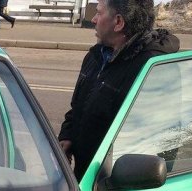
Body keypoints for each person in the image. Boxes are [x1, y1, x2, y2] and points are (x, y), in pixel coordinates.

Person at [58, 0, 179, 180]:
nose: (93, 19)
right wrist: (67, 135)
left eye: (99, 13)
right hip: (86, 178)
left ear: (119, 22)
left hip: (118, 185)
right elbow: (78, 107)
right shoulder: (96, 57)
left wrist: (117, 184)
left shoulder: (153, 69)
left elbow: (162, 141)